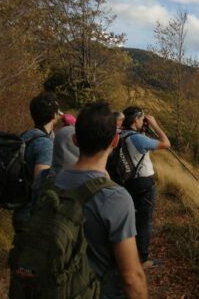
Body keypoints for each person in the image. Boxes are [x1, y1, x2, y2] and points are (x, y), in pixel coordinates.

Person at [54, 101, 148, 298]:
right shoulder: (115, 198)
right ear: (115, 142)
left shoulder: (47, 184)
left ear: (75, 140)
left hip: (55, 287)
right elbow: (131, 278)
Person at [121, 106, 171, 268]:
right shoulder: (138, 139)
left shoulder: (122, 134)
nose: (143, 121)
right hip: (144, 184)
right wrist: (155, 125)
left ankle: (126, 251)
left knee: (131, 218)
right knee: (144, 222)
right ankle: (142, 259)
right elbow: (166, 144)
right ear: (136, 119)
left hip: (127, 182)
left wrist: (143, 129)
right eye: (142, 119)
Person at [13, 92, 62, 229]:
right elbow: (41, 183)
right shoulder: (45, 144)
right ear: (54, 116)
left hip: (20, 209)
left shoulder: (26, 135)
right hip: (32, 216)